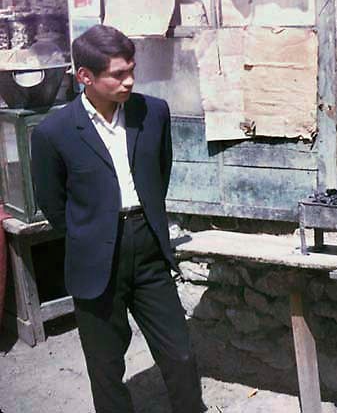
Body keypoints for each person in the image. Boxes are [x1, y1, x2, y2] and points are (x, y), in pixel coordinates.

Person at [31, 25, 205, 413]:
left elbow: (160, 170)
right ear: (85, 77)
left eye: (132, 70)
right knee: (106, 368)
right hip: (95, 259)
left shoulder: (152, 112)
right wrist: (90, 233)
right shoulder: (52, 132)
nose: (129, 81)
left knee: (179, 354)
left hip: (148, 248)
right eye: (118, 74)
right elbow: (52, 202)